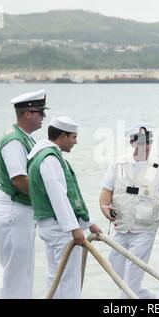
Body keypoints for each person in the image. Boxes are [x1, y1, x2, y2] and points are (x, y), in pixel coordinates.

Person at [27, 116, 101, 299]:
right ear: (62, 136)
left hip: (51, 226)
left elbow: (69, 194)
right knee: (69, 278)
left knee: (56, 276)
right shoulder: (50, 159)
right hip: (60, 228)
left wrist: (89, 223)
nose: (76, 142)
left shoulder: (44, 156)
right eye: (74, 137)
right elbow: (58, 196)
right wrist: (75, 229)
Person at [99, 122, 159, 299]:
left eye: (148, 141)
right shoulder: (118, 165)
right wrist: (105, 208)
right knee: (115, 268)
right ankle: (146, 298)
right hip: (121, 227)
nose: (145, 146)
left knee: (133, 274)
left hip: (145, 230)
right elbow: (105, 193)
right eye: (141, 142)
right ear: (132, 143)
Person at [0, 89, 48, 298]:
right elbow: (19, 180)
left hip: (23, 212)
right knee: (14, 276)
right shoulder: (14, 141)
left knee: (25, 273)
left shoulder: (26, 139)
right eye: (40, 112)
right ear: (27, 113)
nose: (43, 117)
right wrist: (47, 201)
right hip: (14, 210)